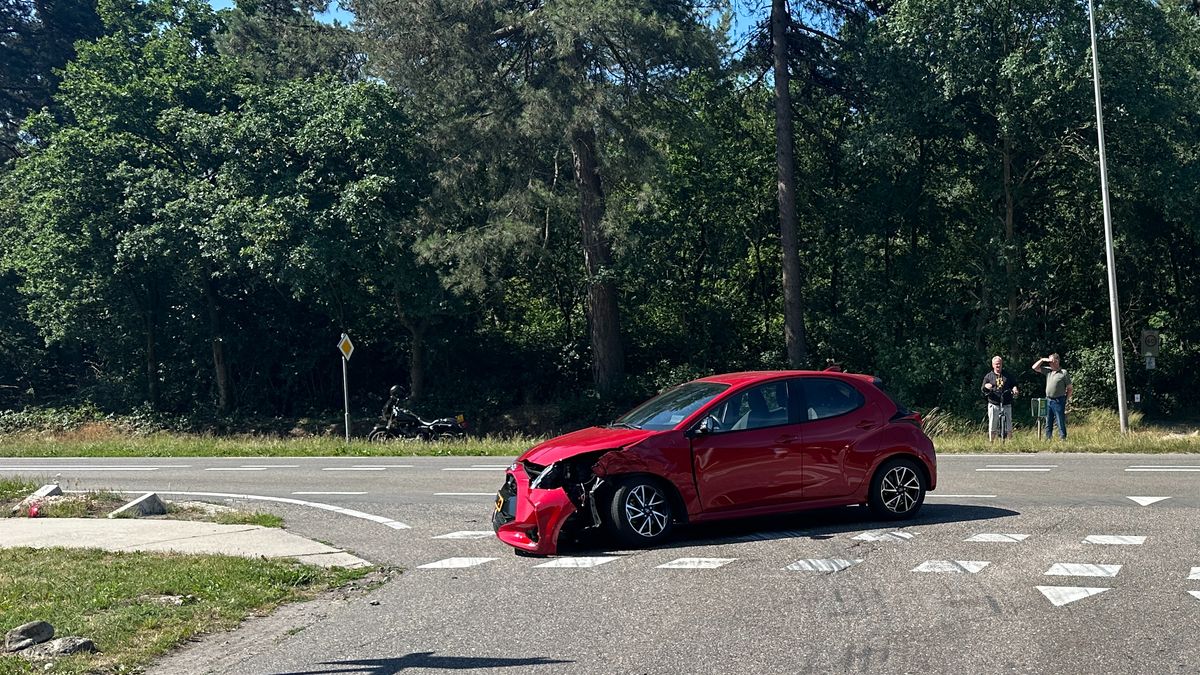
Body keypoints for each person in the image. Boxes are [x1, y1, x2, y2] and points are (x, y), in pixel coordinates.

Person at [1032, 353, 1073, 440]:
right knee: (1048, 421)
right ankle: (1048, 438)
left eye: (1051, 361)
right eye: (1049, 361)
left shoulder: (1063, 373)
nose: (1049, 363)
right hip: (1048, 400)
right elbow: (1034, 367)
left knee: (1060, 420)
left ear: (1057, 361)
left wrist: (1066, 399)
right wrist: (1043, 360)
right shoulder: (1048, 371)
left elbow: (1070, 388)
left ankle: (1063, 438)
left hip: (1059, 400)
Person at [981, 356, 1019, 441]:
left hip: (1006, 403)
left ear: (1002, 364)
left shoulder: (1007, 375)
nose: (998, 366)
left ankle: (1010, 442)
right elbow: (983, 388)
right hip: (994, 403)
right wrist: (987, 386)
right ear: (993, 365)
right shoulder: (989, 376)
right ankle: (992, 442)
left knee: (1009, 424)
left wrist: (1015, 389)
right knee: (993, 424)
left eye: (999, 364)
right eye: (996, 364)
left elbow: (1014, 384)